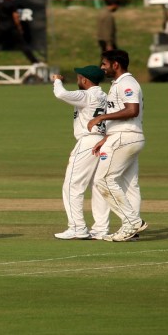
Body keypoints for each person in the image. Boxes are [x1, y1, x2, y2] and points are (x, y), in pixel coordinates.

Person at [87, 50, 147, 242]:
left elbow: (132, 110)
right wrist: (106, 138)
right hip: (126, 136)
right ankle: (130, 229)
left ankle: (132, 221)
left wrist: (102, 117)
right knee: (130, 185)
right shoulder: (119, 84)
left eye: (104, 64)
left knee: (103, 180)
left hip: (124, 138)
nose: (102, 67)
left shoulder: (127, 83)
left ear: (115, 65)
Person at [51, 66, 110, 240]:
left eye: (79, 77)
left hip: (88, 141)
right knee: (98, 186)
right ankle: (101, 229)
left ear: (84, 80)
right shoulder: (105, 97)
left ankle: (77, 228)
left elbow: (61, 94)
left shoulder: (86, 95)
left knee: (72, 185)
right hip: (103, 141)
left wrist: (57, 80)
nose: (78, 80)